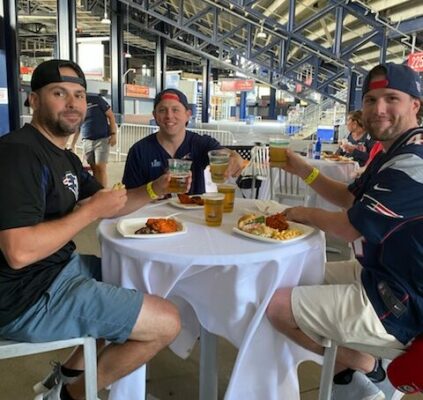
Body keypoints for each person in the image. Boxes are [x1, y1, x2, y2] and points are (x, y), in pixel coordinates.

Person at [0, 59, 183, 400]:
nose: (73, 103)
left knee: (136, 278)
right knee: (166, 322)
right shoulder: (19, 154)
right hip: (24, 296)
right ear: (34, 100)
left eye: (80, 95)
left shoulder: (65, 157)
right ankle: (70, 396)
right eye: (59, 93)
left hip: (58, 271)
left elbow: (111, 204)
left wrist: (154, 189)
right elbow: (19, 251)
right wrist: (90, 212)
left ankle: (65, 376)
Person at [266, 62, 423, 399]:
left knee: (275, 306)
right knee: (288, 275)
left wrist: (300, 213)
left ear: (415, 105)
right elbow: (349, 198)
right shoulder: (396, 148)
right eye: (370, 100)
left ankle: (366, 365)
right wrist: (303, 170)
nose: (378, 109)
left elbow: (350, 227)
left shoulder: (414, 162)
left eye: (391, 98)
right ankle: (351, 377)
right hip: (381, 273)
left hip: (405, 301)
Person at [122, 88, 245, 194]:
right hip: (150, 213)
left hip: (193, 211)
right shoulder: (139, 151)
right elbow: (129, 195)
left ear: (188, 115)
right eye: (162, 110)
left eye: (175, 110)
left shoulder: (200, 143)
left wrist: (235, 157)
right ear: (155, 115)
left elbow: (222, 152)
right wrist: (154, 190)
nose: (169, 116)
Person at [70, 92, 117, 187]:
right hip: (87, 141)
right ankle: (97, 190)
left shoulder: (97, 100)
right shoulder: (77, 106)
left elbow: (111, 116)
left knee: (101, 168)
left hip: (102, 139)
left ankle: (103, 191)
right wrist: (72, 144)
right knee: (94, 169)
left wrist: (113, 135)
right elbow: (77, 127)